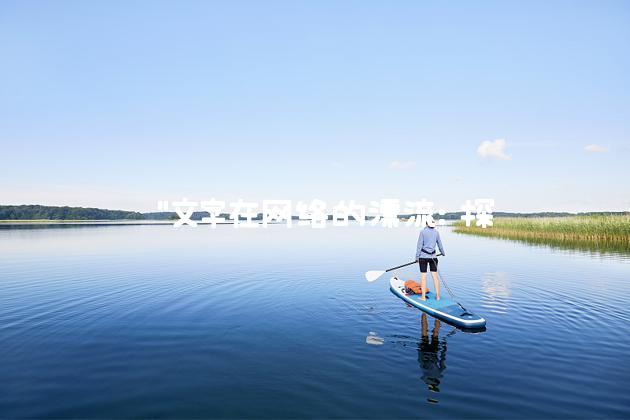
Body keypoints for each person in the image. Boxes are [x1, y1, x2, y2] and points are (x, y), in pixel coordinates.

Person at [415, 216, 445, 301]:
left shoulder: (422, 232)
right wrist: (443, 252)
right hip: (433, 258)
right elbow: (440, 244)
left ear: (426, 223)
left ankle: (423, 297)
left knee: (423, 277)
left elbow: (419, 246)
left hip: (423, 258)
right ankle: (438, 296)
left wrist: (417, 257)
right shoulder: (436, 232)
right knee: (435, 277)